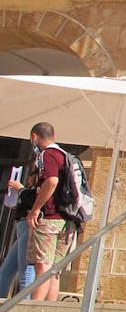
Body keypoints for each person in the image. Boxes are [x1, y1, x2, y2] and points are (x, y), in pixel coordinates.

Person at [25, 123, 77, 302]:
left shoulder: (48, 154)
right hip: (68, 220)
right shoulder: (65, 156)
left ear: (34, 137)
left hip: (49, 218)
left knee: (43, 266)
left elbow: (52, 181)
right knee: (55, 269)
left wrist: (35, 209)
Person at [1, 165, 37, 298]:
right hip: (22, 223)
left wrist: (21, 189)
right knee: (7, 270)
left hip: (29, 223)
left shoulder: (47, 173)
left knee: (26, 271)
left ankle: (25, 308)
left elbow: (37, 200)